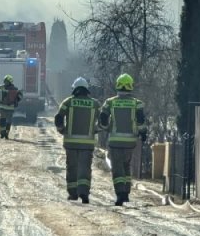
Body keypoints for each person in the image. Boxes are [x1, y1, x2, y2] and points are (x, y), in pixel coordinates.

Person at [98, 73, 146, 206]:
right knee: (126, 166)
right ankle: (127, 192)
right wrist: (143, 133)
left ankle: (121, 194)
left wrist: (104, 127)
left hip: (115, 141)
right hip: (131, 142)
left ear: (117, 85)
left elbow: (102, 118)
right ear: (131, 86)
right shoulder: (137, 103)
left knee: (117, 169)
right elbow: (141, 121)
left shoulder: (110, 102)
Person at [54, 77, 100, 204]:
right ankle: (84, 193)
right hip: (88, 143)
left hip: (71, 142)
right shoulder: (95, 104)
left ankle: (73, 194)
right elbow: (103, 120)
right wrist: (96, 130)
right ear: (86, 89)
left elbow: (58, 117)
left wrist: (61, 129)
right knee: (85, 168)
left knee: (72, 167)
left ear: (74, 89)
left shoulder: (68, 102)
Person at [0, 74, 23, 139]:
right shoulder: (15, 89)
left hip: (2, 107)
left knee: (2, 120)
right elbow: (20, 97)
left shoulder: (1, 87)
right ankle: (7, 133)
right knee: (9, 121)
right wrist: (16, 101)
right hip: (11, 108)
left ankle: (2, 133)